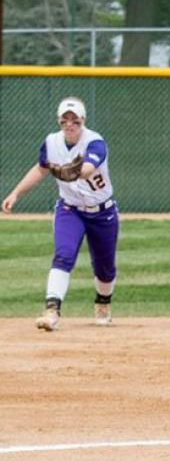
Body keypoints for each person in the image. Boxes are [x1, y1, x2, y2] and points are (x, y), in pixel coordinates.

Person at [1, 97, 119, 331]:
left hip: (102, 212)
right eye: (64, 119)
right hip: (70, 209)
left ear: (82, 120)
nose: (69, 124)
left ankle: (103, 303)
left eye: (74, 119)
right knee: (63, 256)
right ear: (59, 120)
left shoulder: (95, 142)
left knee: (105, 269)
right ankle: (51, 310)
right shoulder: (51, 142)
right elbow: (40, 168)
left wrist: (70, 171)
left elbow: (86, 170)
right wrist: (16, 194)